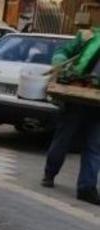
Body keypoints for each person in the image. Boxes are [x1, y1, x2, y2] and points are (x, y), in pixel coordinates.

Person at [41, 21, 100, 205]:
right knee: (66, 137)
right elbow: (63, 52)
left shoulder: (89, 36)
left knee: (94, 144)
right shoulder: (88, 36)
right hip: (77, 96)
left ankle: (86, 187)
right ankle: (50, 173)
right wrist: (59, 64)